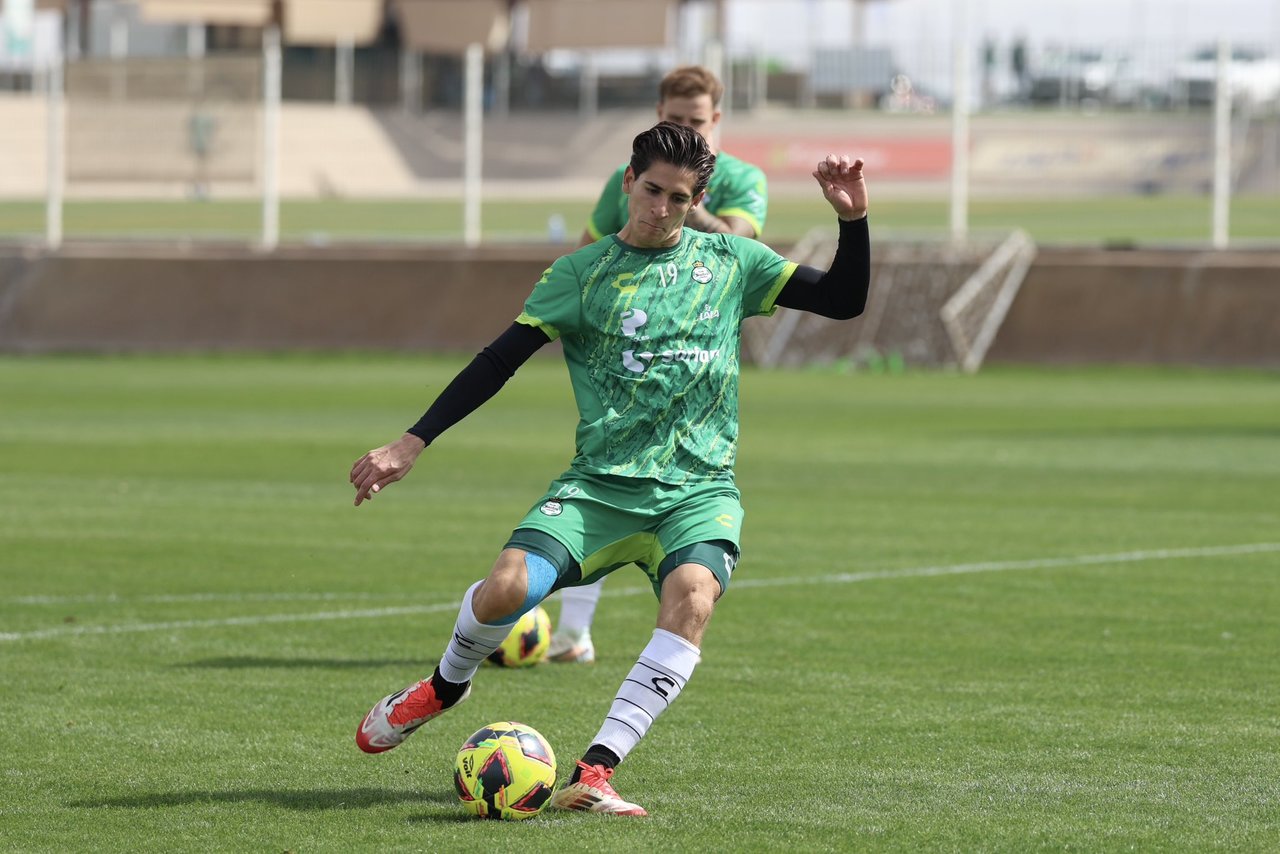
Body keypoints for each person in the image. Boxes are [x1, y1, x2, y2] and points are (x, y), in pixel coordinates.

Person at [350, 121, 870, 816]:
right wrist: (412, 442)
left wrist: (854, 220)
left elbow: (844, 299)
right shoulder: (579, 275)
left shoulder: (732, 262)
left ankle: (595, 771)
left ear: (697, 200)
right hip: (597, 489)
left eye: (679, 198)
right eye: (651, 190)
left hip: (697, 490)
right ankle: (446, 685)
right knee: (504, 590)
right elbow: (498, 361)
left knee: (693, 598)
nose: (661, 208)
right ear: (628, 183)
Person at [554, 64, 771, 664]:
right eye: (674, 121)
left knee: (675, 494)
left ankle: (583, 632)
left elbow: (735, 237)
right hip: (630, 352)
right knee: (604, 481)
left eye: (696, 122)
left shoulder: (743, 178)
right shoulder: (625, 177)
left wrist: (682, 197)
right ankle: (573, 633)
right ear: (658, 114)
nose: (686, 129)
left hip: (697, 351)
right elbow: (590, 248)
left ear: (716, 120)